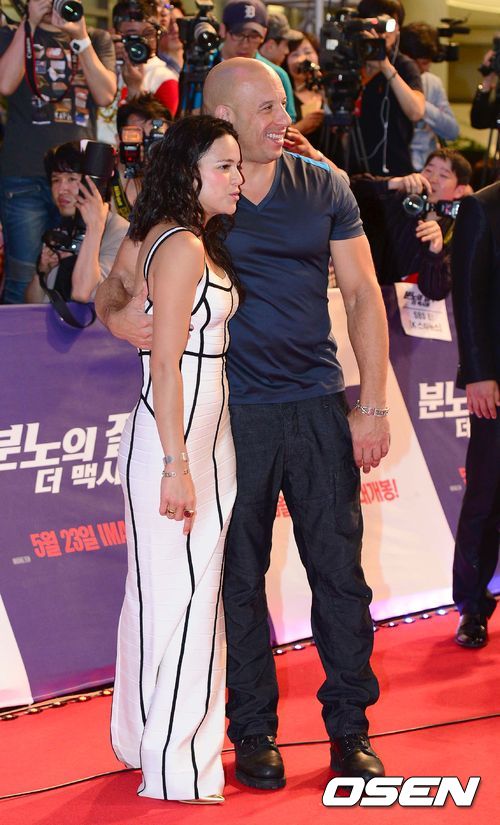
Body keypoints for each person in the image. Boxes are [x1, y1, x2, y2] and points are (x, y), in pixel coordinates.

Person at [97, 57, 391, 790]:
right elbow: (117, 285)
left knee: (340, 576)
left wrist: (372, 404)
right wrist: (117, 319)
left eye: (285, 104)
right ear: (223, 115)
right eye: (266, 108)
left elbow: (363, 294)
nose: (283, 120)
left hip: (318, 404)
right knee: (236, 583)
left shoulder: (323, 184)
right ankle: (253, 730)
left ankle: (350, 727)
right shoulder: (192, 200)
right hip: (233, 418)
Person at [110, 115, 243, 803]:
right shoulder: (182, 244)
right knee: (184, 599)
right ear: (190, 171)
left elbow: (112, 291)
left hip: (199, 441)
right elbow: (164, 362)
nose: (238, 178)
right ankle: (177, 766)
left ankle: (143, 742)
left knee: (168, 594)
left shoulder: (173, 234)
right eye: (225, 166)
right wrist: (176, 465)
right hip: (177, 443)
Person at [0, 0, 117, 303]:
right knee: (24, 274)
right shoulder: (13, 34)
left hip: (78, 178)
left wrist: (80, 37)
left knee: (73, 271)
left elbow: (106, 94)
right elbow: (4, 84)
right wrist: (29, 25)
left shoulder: (96, 39)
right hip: (23, 175)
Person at [451, 181, 500, 649]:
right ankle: (472, 604)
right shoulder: (482, 207)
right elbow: (467, 296)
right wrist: (478, 373)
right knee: (486, 496)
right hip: (496, 383)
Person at [351, 148, 472, 299]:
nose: (433, 179)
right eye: (428, 170)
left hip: (421, 310)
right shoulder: (399, 200)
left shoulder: (460, 232)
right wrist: (394, 183)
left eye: (443, 175)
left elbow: (437, 292)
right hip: (376, 297)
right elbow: (348, 188)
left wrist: (435, 252)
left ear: (459, 190)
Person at [24, 141, 128, 304]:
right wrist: (42, 272)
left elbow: (87, 295)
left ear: (95, 184)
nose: (62, 189)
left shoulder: (120, 233)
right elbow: (32, 306)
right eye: (56, 180)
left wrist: (94, 229)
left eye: (71, 179)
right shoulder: (62, 232)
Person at [351, 0, 424, 176]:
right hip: (349, 167)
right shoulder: (350, 61)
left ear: (398, 29)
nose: (383, 30)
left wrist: (385, 65)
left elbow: (416, 112)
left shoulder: (404, 65)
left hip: (392, 168)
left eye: (389, 23)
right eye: (376, 22)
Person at [219, 0, 296, 122]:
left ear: (264, 34)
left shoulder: (276, 75)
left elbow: (287, 125)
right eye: (238, 35)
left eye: (254, 36)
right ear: (223, 30)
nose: (245, 44)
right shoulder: (200, 66)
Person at [399, 22, 459, 172]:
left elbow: (452, 131)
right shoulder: (389, 82)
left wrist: (419, 103)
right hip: (396, 167)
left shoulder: (432, 82)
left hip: (426, 170)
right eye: (423, 63)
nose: (426, 68)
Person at [114, 93, 170, 215]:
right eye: (136, 137)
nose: (146, 147)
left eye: (155, 140)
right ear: (119, 140)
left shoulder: (177, 187)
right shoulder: (103, 179)